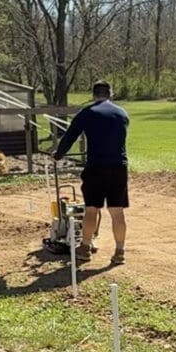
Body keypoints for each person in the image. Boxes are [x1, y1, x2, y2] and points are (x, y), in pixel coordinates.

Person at [53, 81, 129, 265]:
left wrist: (58, 154)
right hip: (119, 166)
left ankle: (85, 248)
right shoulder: (122, 114)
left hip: (96, 166)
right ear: (111, 93)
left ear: (94, 95)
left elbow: (70, 136)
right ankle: (119, 251)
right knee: (117, 212)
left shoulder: (87, 113)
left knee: (91, 209)